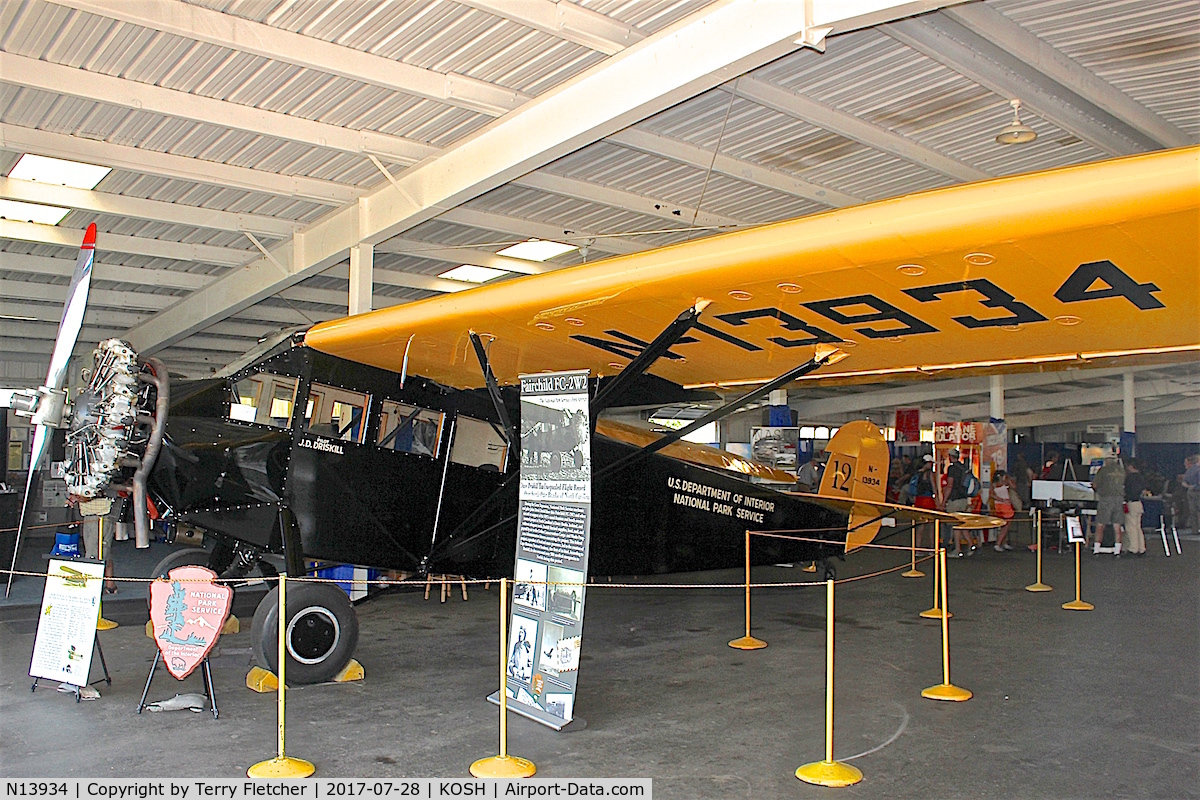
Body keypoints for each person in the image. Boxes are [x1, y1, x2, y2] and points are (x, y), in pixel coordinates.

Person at [944, 448, 977, 556]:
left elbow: (950, 485)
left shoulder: (952, 469)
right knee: (962, 524)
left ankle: (958, 550)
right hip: (964, 499)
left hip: (955, 500)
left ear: (950, 457)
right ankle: (971, 545)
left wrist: (944, 501)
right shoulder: (964, 468)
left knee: (956, 525)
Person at [1091, 457, 1125, 556]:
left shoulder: (1103, 470)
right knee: (1117, 525)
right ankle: (1117, 550)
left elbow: (1095, 484)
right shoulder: (1121, 471)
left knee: (1100, 524)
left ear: (1106, 462)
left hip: (1106, 499)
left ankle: (1096, 549)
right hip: (1119, 499)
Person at [1123, 459, 1149, 556]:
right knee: (1138, 527)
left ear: (1131, 466)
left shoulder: (1130, 478)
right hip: (1139, 503)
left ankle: (1133, 548)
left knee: (1131, 527)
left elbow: (1127, 491)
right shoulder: (1141, 477)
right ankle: (1141, 548)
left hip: (1131, 503)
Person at [990, 470, 1016, 551]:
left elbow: (1014, 487)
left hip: (1004, 505)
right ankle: (998, 543)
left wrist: (1009, 480)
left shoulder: (1005, 483)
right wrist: (1002, 499)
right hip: (1002, 505)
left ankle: (1003, 542)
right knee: (1005, 525)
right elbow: (991, 494)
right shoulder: (995, 484)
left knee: (1006, 525)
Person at [1183, 455, 1200, 533]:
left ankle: (1195, 529)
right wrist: (1195, 486)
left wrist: (1189, 486)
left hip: (1190, 492)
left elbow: (1184, 482)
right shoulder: (1198, 470)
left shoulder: (1189, 470)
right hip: (1198, 491)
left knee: (1192, 511)